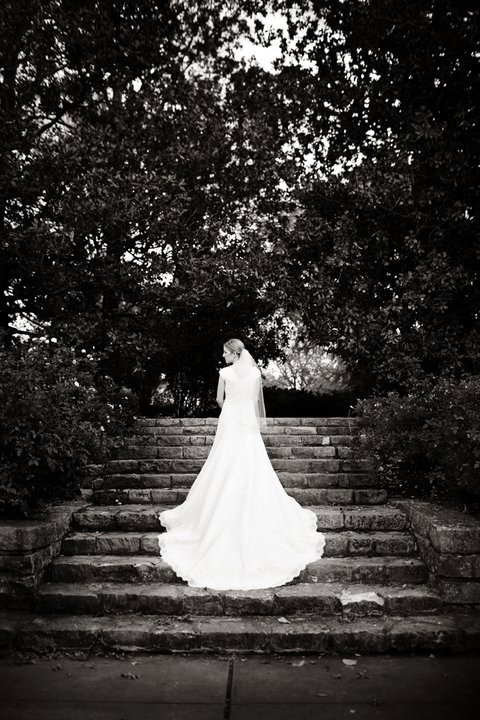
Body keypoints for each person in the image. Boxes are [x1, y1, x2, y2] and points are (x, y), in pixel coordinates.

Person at [158, 338, 325, 590]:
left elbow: (219, 399)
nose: (223, 356)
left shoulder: (224, 373)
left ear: (235, 354)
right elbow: (256, 402)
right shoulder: (255, 374)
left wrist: (232, 409)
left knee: (224, 458)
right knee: (251, 460)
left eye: (225, 352)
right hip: (247, 421)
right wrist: (244, 412)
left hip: (231, 418)